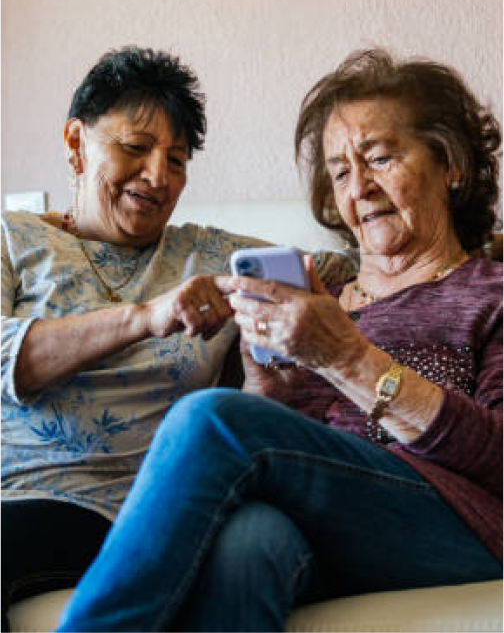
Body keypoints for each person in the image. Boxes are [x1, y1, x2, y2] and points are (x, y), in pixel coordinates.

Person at [55, 48, 504, 632]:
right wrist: (268, 390)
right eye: (340, 173)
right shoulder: (319, 300)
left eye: (380, 158)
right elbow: (286, 456)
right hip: (334, 525)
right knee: (249, 540)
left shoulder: (492, 291)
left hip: (459, 526)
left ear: (451, 166)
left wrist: (348, 358)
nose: (360, 187)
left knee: (209, 417)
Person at [0, 46, 349, 631]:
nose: (158, 177)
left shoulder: (209, 255)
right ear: (75, 142)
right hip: (15, 492)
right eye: (136, 148)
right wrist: (145, 317)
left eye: (178, 161)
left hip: (140, 511)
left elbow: (351, 269)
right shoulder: (13, 239)